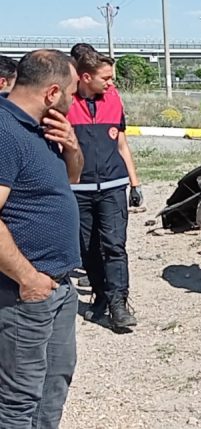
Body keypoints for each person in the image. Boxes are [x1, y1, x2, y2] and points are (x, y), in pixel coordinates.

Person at [0, 49, 83, 428]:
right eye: (72, 91)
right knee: (19, 400)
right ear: (52, 92)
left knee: (54, 385)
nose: (75, 99)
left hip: (59, 286)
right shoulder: (4, 132)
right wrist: (27, 278)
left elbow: (71, 180)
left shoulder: (43, 126)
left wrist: (72, 147)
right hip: (22, 292)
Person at [67, 50, 141, 330]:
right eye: (106, 78)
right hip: (78, 189)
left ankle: (119, 303)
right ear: (86, 77)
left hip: (112, 186)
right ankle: (100, 296)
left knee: (114, 246)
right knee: (88, 249)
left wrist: (134, 183)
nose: (111, 83)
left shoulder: (113, 100)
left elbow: (121, 144)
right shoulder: (66, 102)